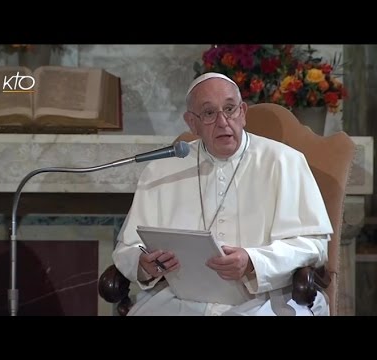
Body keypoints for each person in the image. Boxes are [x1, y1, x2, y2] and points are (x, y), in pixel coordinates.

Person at [112, 72, 333, 316]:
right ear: (191, 123)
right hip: (181, 299)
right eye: (209, 113)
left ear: (243, 112)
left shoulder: (284, 162)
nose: (223, 121)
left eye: (230, 109)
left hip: (265, 299)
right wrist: (143, 264)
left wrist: (252, 261)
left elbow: (313, 246)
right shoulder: (161, 170)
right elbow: (128, 248)